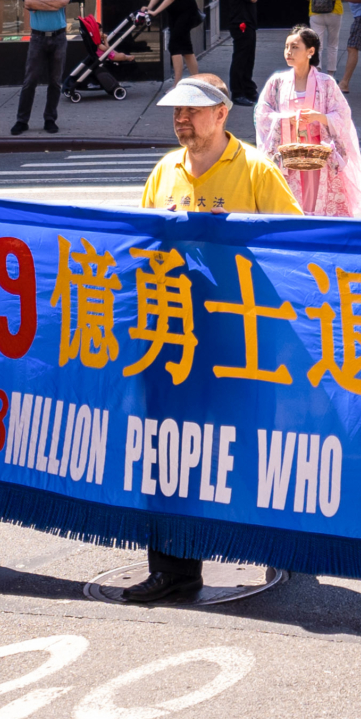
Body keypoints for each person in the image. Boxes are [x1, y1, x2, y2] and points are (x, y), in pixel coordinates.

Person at [124, 76, 298, 604]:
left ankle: (274, 541)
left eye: (193, 111)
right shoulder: (164, 171)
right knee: (168, 448)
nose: (182, 119)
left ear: (222, 114)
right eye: (176, 111)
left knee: (245, 444)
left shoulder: (255, 170)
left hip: (237, 339)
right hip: (172, 336)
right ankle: (174, 569)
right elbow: (138, 240)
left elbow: (294, 243)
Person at [254, 26, 361, 216]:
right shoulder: (277, 82)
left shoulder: (326, 83)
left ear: (311, 51)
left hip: (319, 154)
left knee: (319, 201)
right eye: (287, 46)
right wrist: (286, 120)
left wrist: (320, 117)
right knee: (290, 205)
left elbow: (342, 115)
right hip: (288, 153)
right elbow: (262, 114)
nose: (289, 52)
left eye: (295, 47)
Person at [12, 0, 74, 136]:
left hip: (59, 38)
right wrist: (53, 4)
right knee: (30, 81)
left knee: (55, 81)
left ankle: (50, 119)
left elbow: (63, 2)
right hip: (38, 38)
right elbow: (29, 2)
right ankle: (22, 121)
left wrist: (38, 4)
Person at [222, 0, 264, 104]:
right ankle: (238, 92)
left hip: (249, 21)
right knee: (241, 57)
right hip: (241, 22)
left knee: (248, 58)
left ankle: (249, 89)